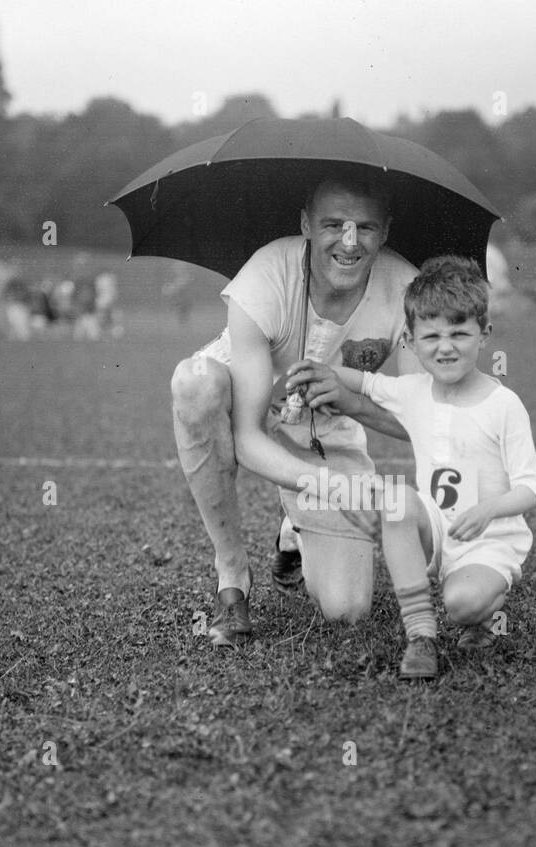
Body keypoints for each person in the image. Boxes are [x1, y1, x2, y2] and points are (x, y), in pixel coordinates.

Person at [169, 169, 420, 646]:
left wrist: (352, 401)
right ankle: (232, 577)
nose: (349, 242)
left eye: (365, 227)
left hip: (327, 422)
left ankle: (292, 535)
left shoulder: (408, 290)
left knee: (347, 611)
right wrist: (327, 486)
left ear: (385, 230)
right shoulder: (266, 272)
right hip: (250, 398)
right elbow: (247, 436)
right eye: (333, 225)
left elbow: (426, 422)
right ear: (306, 224)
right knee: (194, 384)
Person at [326, 255, 536, 679]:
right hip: (435, 529)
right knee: (397, 502)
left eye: (460, 333)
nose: (445, 347)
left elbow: (532, 489)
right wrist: (316, 371)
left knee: (461, 605)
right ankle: (421, 637)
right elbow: (362, 381)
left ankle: (483, 607)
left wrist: (487, 510)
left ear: (484, 334)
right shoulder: (413, 391)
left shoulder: (504, 406)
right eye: (431, 336)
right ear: (410, 339)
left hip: (487, 538)